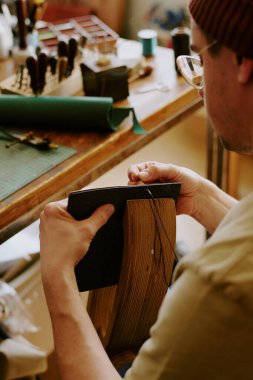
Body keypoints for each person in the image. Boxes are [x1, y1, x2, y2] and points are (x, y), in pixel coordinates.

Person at [39, 0, 253, 378]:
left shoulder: (220, 282)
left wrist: (58, 279)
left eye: (200, 60)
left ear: (242, 65)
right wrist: (206, 198)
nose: (198, 87)